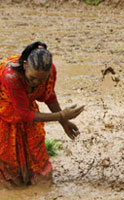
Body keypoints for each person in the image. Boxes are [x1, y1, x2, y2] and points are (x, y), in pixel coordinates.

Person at [0, 42, 85, 187]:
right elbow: (25, 115)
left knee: (39, 160)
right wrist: (62, 116)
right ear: (25, 66)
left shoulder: (49, 71)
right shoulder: (11, 76)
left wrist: (64, 123)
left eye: (42, 79)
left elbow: (49, 96)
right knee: (9, 166)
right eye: (32, 78)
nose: (36, 83)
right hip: (4, 113)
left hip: (26, 110)